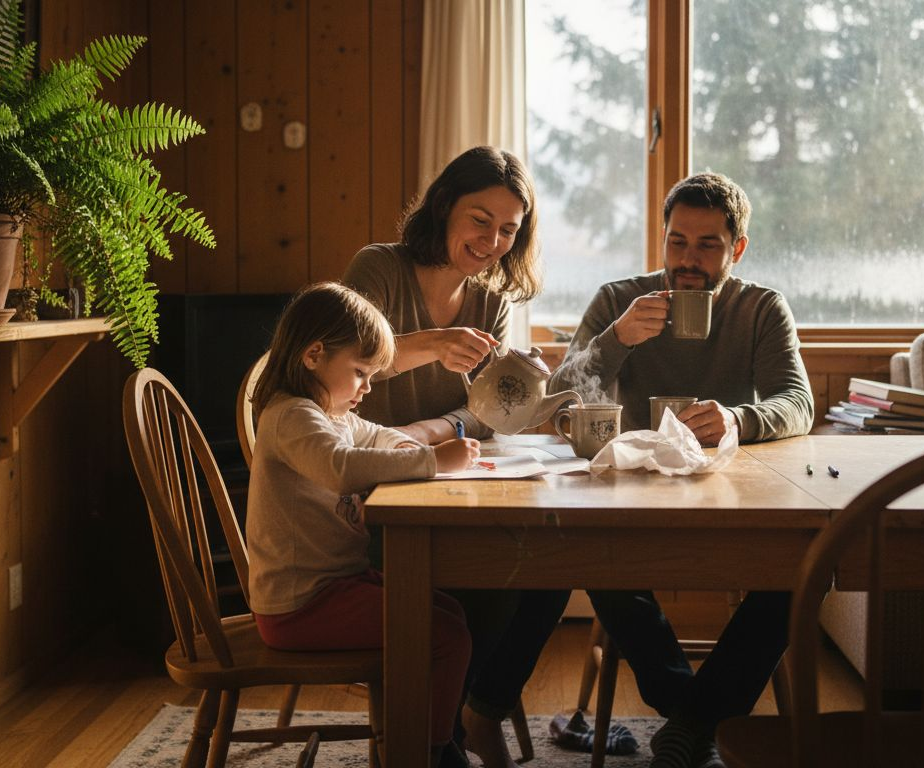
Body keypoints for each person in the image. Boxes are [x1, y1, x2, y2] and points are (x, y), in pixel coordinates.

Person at [489, 172, 814, 768]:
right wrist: (617, 340)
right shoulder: (621, 301)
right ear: (663, 239)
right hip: (630, 497)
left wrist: (738, 418)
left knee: (802, 573)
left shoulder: (760, 308)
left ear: (736, 248)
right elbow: (557, 397)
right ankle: (693, 715)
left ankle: (689, 720)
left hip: (729, 497)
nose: (688, 260)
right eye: (677, 242)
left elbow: (798, 402)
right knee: (593, 554)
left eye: (707, 245)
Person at [342, 146, 565, 768]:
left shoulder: (490, 301)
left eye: (508, 229)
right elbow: (339, 363)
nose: (492, 240)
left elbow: (486, 411)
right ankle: (438, 739)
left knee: (547, 568)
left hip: (444, 477)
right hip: (366, 490)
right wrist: (431, 345)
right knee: (479, 582)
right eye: (480, 219)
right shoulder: (379, 270)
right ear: (445, 208)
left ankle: (469, 714)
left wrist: (441, 423)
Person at [244, 282, 480, 768]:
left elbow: (383, 439)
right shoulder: (290, 416)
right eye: (360, 372)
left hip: (335, 586)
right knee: (444, 634)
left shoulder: (334, 415)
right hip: (299, 605)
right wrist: (434, 463)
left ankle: (427, 738)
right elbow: (343, 467)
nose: (367, 388)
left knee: (450, 615)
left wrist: (418, 449)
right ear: (314, 355)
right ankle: (429, 751)